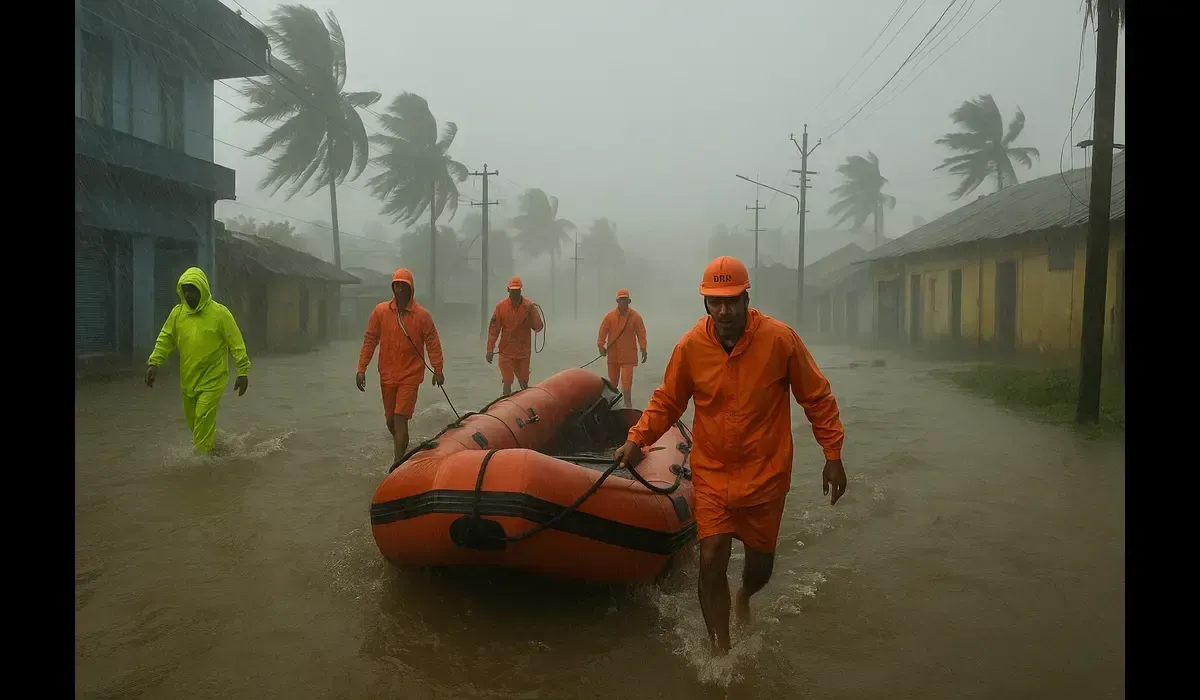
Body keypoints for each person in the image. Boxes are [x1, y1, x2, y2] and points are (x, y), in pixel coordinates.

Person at [613, 255, 846, 656]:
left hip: (767, 475)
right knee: (711, 557)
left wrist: (833, 453)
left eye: (731, 301)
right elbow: (668, 401)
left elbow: (816, 396)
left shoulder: (779, 340)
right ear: (705, 302)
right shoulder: (690, 347)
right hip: (713, 473)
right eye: (714, 301)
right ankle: (720, 650)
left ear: (745, 297)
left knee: (760, 568)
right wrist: (637, 438)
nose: (723, 310)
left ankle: (745, 597)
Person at [144, 267, 251, 456]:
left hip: (213, 379)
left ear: (202, 289)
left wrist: (243, 372)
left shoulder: (220, 314)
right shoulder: (177, 314)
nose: (189, 294)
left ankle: (201, 467)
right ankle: (217, 446)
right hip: (188, 379)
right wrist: (154, 363)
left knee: (202, 417)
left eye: (192, 290)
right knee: (193, 422)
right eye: (185, 290)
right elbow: (165, 338)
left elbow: (236, 343)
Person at [356, 268, 445, 463]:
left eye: (403, 286)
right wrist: (361, 368)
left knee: (400, 418)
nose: (399, 289)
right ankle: (403, 445)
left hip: (410, 376)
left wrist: (438, 370)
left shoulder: (422, 316)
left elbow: (433, 342)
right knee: (391, 422)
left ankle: (397, 464)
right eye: (396, 285)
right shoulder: (380, 312)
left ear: (410, 288)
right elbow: (370, 340)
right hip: (387, 375)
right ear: (392, 287)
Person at [486, 276, 544, 395]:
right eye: (513, 290)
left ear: (521, 290)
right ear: (508, 290)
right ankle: (505, 404)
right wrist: (490, 350)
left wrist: (532, 314)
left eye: (517, 290)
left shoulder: (528, 306)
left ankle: (527, 404)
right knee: (507, 381)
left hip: (523, 352)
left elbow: (538, 328)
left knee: (523, 382)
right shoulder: (500, 307)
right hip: (506, 352)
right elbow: (494, 330)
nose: (515, 293)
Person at [596, 288, 648, 409]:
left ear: (629, 301)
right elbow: (603, 331)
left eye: (625, 300)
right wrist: (600, 345)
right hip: (613, 356)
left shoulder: (635, 317)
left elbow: (641, 333)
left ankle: (628, 405)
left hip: (628, 357)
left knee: (626, 384)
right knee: (612, 383)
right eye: (620, 300)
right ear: (617, 301)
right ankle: (613, 406)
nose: (623, 302)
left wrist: (643, 348)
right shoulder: (609, 317)